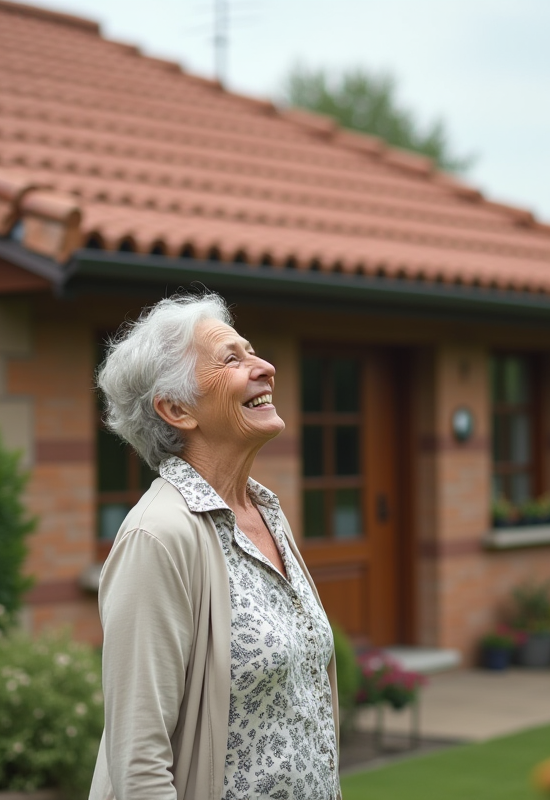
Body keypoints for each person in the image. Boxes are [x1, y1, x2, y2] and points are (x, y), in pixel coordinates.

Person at [88, 293, 341, 800]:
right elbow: (139, 766)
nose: (265, 367)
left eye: (253, 351)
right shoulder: (156, 538)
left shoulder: (266, 512)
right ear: (177, 409)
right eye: (233, 358)